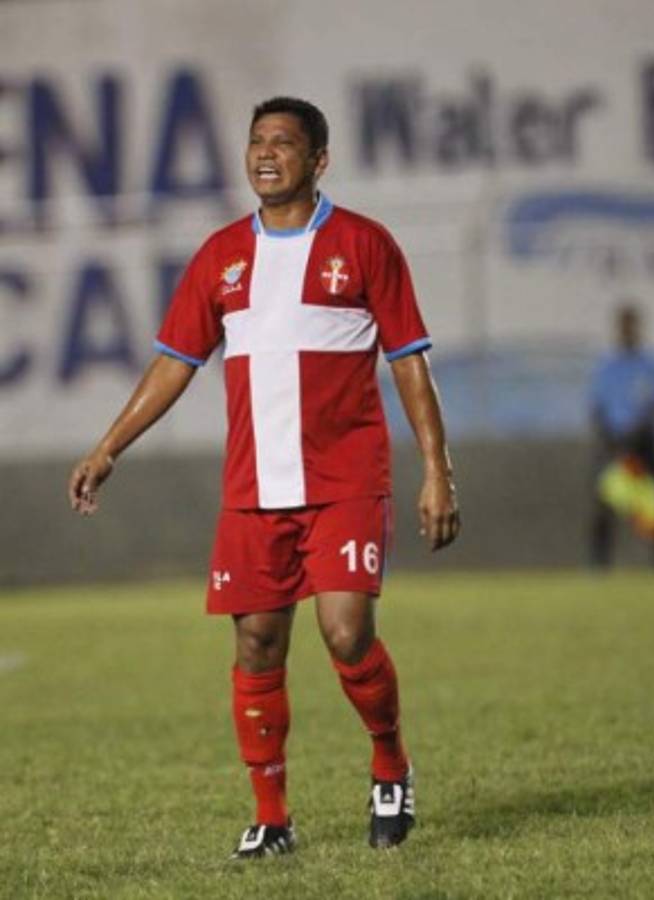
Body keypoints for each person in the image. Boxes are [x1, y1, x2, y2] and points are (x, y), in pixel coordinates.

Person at [68, 97, 460, 858]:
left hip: (345, 479)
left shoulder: (364, 244)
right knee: (256, 644)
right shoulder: (221, 255)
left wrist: (437, 470)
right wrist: (108, 447)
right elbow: (174, 362)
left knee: (346, 633)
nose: (266, 153)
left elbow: (409, 360)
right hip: (254, 489)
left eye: (284, 142)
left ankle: (390, 765)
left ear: (319, 160)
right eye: (256, 141)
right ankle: (272, 817)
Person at [588, 302, 654, 566]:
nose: (628, 331)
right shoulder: (607, 367)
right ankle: (599, 564)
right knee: (605, 504)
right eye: (624, 326)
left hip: (646, 446)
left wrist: (640, 432)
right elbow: (597, 407)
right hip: (616, 447)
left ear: (638, 328)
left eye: (632, 325)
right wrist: (613, 441)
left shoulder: (651, 365)